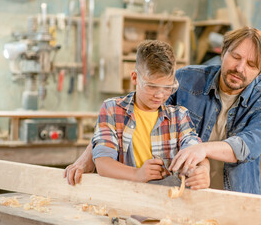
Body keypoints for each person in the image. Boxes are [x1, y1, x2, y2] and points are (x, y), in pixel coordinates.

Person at [65, 27, 261, 194]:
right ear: (223, 52)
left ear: (260, 71)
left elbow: (247, 146)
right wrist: (89, 156)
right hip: (182, 192)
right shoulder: (187, 80)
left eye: (252, 64)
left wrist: (202, 152)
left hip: (235, 192)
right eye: (236, 57)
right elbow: (131, 109)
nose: (240, 68)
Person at [65, 40, 210, 189]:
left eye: (168, 88)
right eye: (152, 86)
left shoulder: (179, 117)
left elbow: (197, 153)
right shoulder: (113, 109)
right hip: (125, 199)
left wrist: (203, 170)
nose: (160, 95)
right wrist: (136, 174)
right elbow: (103, 163)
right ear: (134, 78)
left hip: (167, 202)